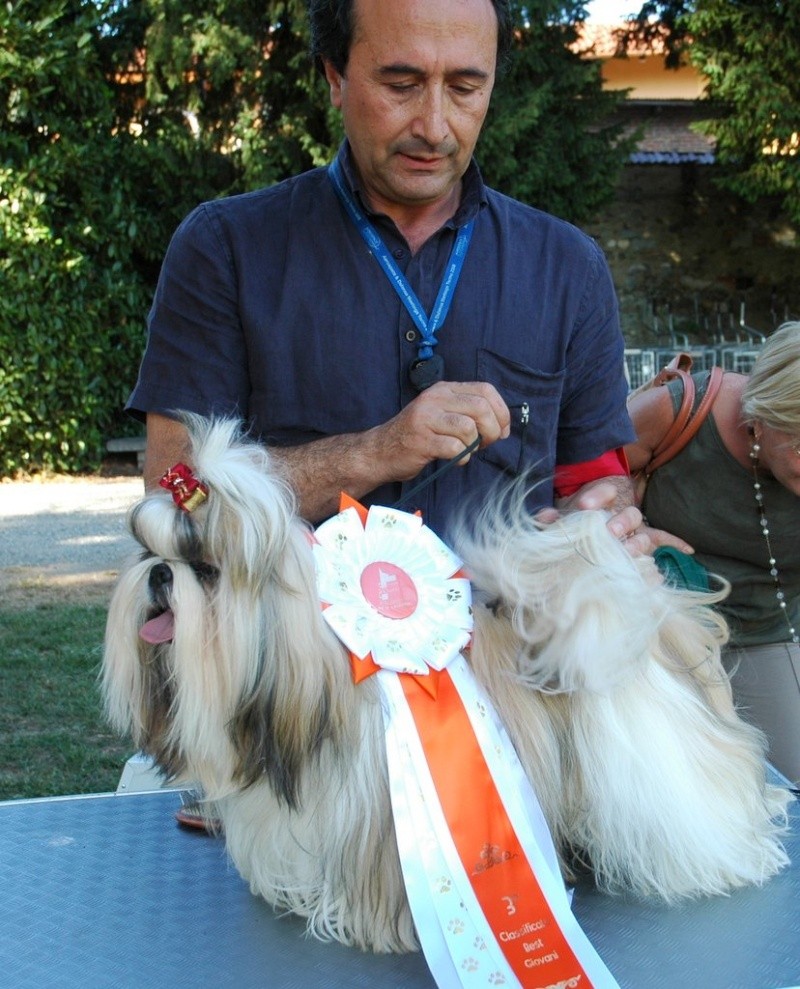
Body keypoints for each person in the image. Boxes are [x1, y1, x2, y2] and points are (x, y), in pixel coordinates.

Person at [127, 0, 659, 554]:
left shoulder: (568, 267)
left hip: (509, 639)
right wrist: (373, 452)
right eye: (402, 84)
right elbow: (175, 493)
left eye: (464, 87)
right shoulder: (224, 249)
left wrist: (604, 518)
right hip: (291, 643)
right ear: (336, 76)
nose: (433, 126)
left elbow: (597, 482)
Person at [625, 321, 800, 786]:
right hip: (658, 634)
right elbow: (590, 471)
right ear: (760, 413)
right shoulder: (679, 411)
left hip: (770, 632)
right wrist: (633, 529)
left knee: (787, 786)